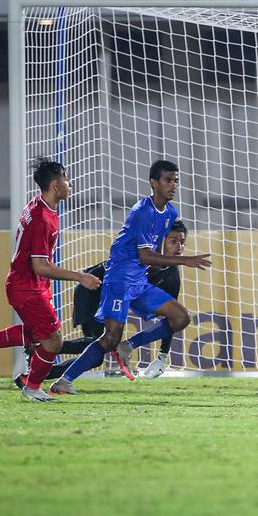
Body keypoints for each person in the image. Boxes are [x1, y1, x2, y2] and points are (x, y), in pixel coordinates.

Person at [49, 160, 211, 394]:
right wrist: (185, 260)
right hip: (120, 280)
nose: (173, 185)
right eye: (168, 180)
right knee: (109, 338)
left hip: (139, 281)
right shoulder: (141, 212)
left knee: (181, 317)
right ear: (153, 183)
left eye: (176, 180)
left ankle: (129, 345)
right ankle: (64, 381)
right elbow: (145, 256)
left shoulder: (170, 213)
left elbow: (153, 251)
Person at [0, 159, 102, 402]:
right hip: (27, 287)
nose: (71, 183)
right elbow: (40, 266)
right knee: (54, 341)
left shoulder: (42, 206)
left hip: (29, 285)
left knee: (39, 335)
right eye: (67, 179)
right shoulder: (41, 218)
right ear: (56, 185)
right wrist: (80, 277)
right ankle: (32, 387)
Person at [15, 220, 189, 387]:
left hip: (108, 296)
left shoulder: (171, 275)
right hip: (91, 293)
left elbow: (172, 320)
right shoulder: (137, 259)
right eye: (173, 241)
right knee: (101, 344)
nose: (179, 247)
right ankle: (43, 357)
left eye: (182, 242)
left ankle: (38, 367)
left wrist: (162, 356)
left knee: (100, 349)